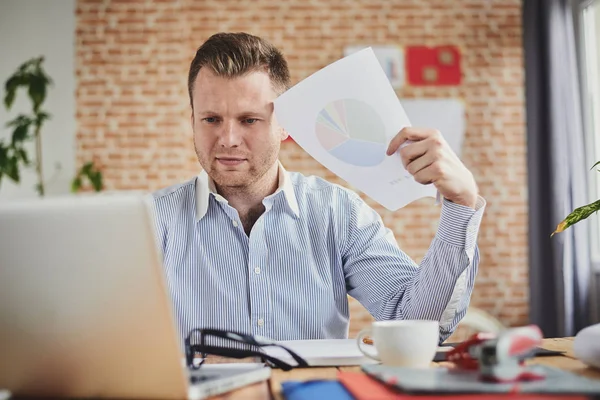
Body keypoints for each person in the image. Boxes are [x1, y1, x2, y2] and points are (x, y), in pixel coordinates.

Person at [152, 32, 486, 346]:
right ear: (193, 119)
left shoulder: (339, 213)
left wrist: (461, 206)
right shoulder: (151, 222)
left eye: (249, 120)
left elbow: (417, 324)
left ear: (285, 126)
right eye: (211, 119)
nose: (227, 139)